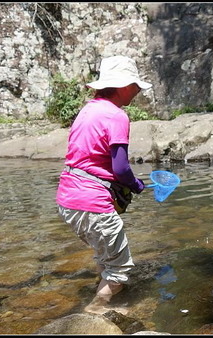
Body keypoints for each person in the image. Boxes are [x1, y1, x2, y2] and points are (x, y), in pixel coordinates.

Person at [56, 55, 152, 314]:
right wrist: (137, 186)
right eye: (135, 86)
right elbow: (121, 168)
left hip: (68, 200)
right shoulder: (116, 116)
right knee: (119, 272)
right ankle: (93, 315)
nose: (137, 92)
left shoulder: (88, 109)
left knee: (105, 257)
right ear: (122, 86)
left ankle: (105, 303)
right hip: (92, 203)